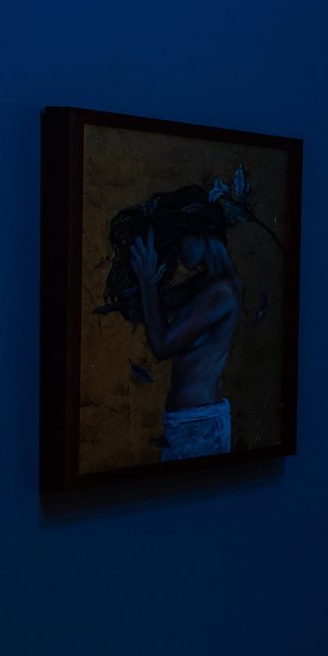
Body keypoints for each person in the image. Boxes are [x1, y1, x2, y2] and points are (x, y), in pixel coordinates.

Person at [100, 168, 256, 461]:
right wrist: (138, 288)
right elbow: (148, 309)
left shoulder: (222, 291)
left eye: (178, 241)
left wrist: (147, 283)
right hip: (188, 422)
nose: (179, 255)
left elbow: (162, 345)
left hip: (199, 424)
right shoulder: (205, 285)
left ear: (197, 231)